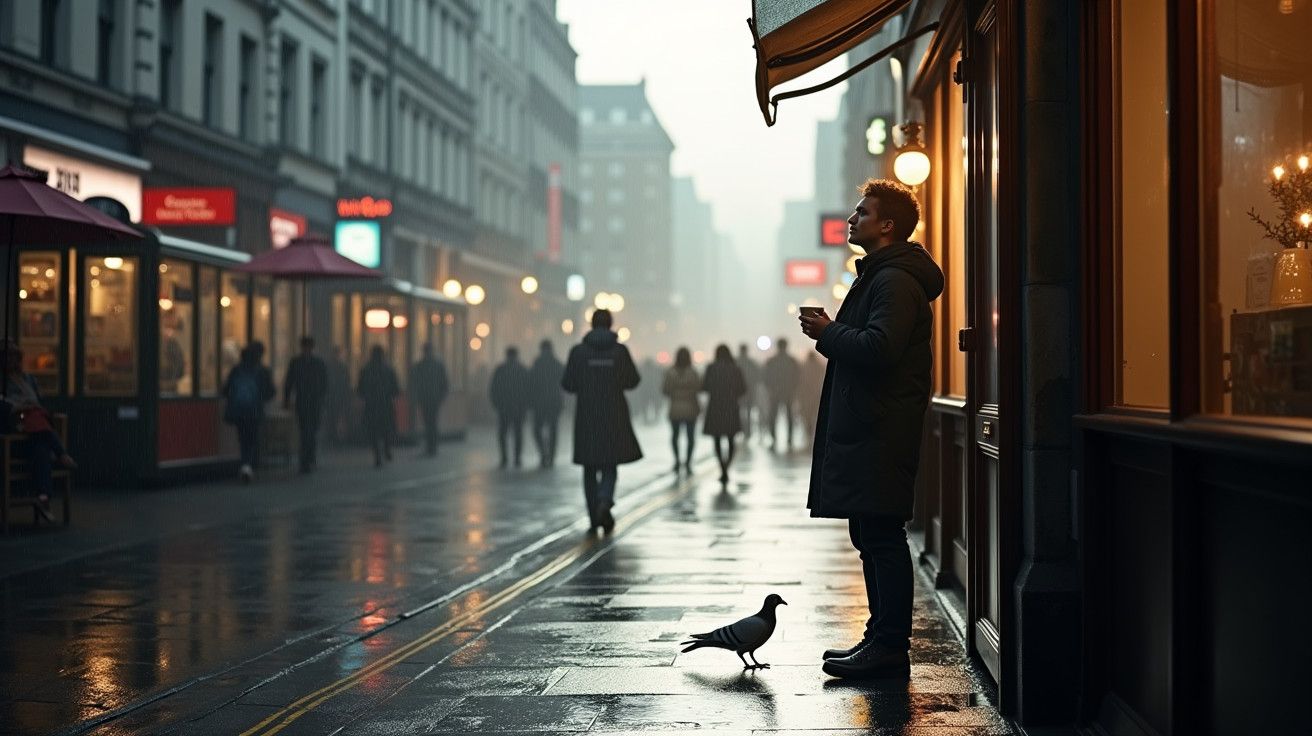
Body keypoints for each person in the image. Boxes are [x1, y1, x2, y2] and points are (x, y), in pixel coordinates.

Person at [798, 178, 943, 680]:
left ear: (887, 225)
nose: (851, 220)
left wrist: (826, 332)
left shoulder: (895, 281)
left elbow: (880, 350)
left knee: (881, 537)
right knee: (871, 534)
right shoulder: (883, 276)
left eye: (861, 213)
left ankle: (888, 647)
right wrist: (833, 332)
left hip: (881, 431)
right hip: (873, 428)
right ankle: (879, 638)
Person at [561, 309, 641, 534]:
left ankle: (593, 513)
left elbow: (568, 383)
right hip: (613, 414)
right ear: (610, 324)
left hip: (586, 414)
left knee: (589, 466)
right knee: (609, 463)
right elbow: (633, 380)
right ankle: (605, 499)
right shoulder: (620, 351)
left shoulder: (578, 352)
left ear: (591, 324)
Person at [3, 343, 75, 522]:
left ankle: (43, 497)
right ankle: (61, 453)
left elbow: (39, 402)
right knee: (37, 426)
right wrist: (21, 407)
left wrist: (32, 407)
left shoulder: (28, 378)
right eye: (7, 357)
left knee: (40, 448)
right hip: (16, 426)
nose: (11, 361)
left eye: (14, 357)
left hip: (35, 430)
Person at [223, 341, 276, 483]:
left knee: (243, 438)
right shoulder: (263, 371)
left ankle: (245, 464)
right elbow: (271, 392)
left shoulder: (236, 370)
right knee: (252, 438)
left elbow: (226, 390)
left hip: (239, 410)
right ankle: (248, 465)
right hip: (254, 411)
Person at [701, 344, 747, 485]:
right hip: (731, 407)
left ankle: (722, 467)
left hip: (715, 406)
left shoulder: (711, 368)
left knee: (717, 439)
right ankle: (726, 467)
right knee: (731, 439)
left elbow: (704, 387)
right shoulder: (735, 369)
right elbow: (743, 389)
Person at [283, 336, 328, 473]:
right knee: (308, 431)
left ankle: (308, 456)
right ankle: (307, 457)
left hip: (306, 401)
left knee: (309, 430)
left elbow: (289, 382)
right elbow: (324, 383)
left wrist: (287, 398)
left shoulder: (297, 362)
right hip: (310, 402)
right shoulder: (318, 363)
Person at [357, 345, 400, 468]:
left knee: (373, 431)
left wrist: (366, 397)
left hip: (371, 406)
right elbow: (395, 389)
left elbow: (360, 389)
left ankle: (377, 455)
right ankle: (386, 449)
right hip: (385, 405)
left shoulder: (366, 370)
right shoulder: (389, 370)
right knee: (386, 429)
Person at [661, 347, 701, 475]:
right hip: (690, 408)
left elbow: (665, 390)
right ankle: (688, 461)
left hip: (675, 408)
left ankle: (677, 460)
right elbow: (699, 387)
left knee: (675, 436)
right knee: (690, 437)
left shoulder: (670, 373)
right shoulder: (693, 372)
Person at [489, 347, 531, 468]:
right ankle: (517, 458)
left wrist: (496, 404)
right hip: (518, 408)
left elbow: (493, 389)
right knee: (518, 434)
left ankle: (504, 458)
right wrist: (526, 406)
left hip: (504, 408)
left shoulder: (500, 370)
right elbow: (529, 390)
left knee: (503, 434)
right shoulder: (522, 370)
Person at [528, 340, 565, 468]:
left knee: (537, 429)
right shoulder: (557, 364)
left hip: (539, 403)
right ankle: (551, 455)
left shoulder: (537, 364)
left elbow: (530, 384)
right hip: (554, 402)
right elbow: (564, 382)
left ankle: (544, 453)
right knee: (553, 430)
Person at [410, 342, 450, 457]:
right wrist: (441, 397)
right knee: (432, 422)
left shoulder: (419, 366)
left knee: (428, 423)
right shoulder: (438, 366)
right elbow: (445, 383)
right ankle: (432, 446)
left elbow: (415, 383)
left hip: (425, 399)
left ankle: (430, 446)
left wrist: (416, 397)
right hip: (434, 399)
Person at [763, 338, 801, 450]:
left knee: (773, 416)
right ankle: (789, 439)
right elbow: (797, 377)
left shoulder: (771, 361)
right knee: (789, 416)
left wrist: (771, 388)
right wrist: (793, 389)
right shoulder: (791, 361)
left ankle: (774, 438)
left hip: (775, 392)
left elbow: (766, 377)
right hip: (788, 392)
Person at [324, 345, 352, 445]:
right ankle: (335, 437)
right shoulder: (342, 367)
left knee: (332, 417)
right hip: (338, 396)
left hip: (331, 396)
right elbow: (346, 383)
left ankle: (332, 436)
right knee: (337, 417)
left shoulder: (328, 367)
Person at [797, 351, 827, 445]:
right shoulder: (819, 367)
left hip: (808, 395)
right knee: (815, 415)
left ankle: (808, 432)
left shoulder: (804, 367)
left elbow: (800, 381)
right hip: (816, 394)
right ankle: (813, 432)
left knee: (808, 415)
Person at [736, 344, 761, 440]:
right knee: (748, 412)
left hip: (738, 392)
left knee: (739, 411)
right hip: (750, 390)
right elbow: (758, 376)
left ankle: (741, 429)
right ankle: (748, 431)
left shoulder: (736, 362)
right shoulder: (751, 363)